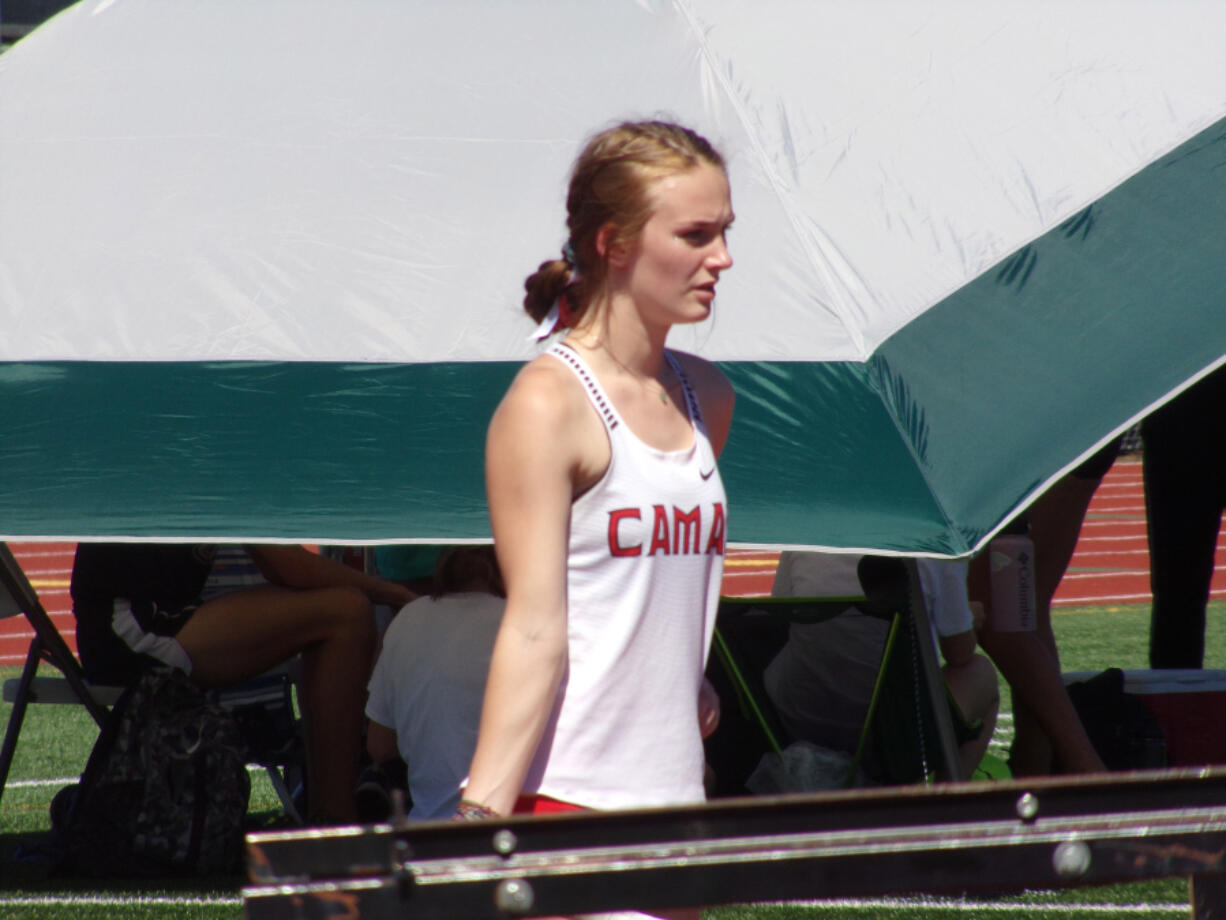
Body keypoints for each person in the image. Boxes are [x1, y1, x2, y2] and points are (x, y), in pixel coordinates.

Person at [457, 120, 735, 919]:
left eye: (724, 232)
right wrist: (479, 824)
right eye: (695, 233)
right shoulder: (546, 404)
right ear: (613, 243)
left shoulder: (706, 398)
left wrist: (689, 673)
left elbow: (643, 591)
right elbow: (537, 629)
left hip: (678, 809)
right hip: (570, 805)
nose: (722, 258)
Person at [70, 542, 414, 825]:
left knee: (339, 608)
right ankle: (335, 818)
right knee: (346, 612)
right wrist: (396, 594)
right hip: (129, 631)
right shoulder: (216, 459)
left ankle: (327, 809)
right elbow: (287, 566)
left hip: (140, 619)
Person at [764, 553, 999, 780]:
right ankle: (941, 804)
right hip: (891, 740)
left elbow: (778, 617)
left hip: (793, 725)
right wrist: (966, 618)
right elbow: (960, 653)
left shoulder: (808, 528)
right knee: (981, 672)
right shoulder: (937, 542)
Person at [968, 441, 1120, 775]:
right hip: (1078, 419)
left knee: (996, 610)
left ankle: (1083, 767)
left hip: (1037, 428)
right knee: (1026, 610)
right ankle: (1036, 770)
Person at [364, 546, 505, 821]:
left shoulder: (406, 619)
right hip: (511, 832)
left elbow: (379, 746)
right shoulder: (523, 623)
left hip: (428, 833)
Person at [1142, 364, 1226, 669]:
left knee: (1177, 590)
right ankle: (1175, 705)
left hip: (1181, 400)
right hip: (1181, 404)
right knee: (1177, 588)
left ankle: (1175, 705)